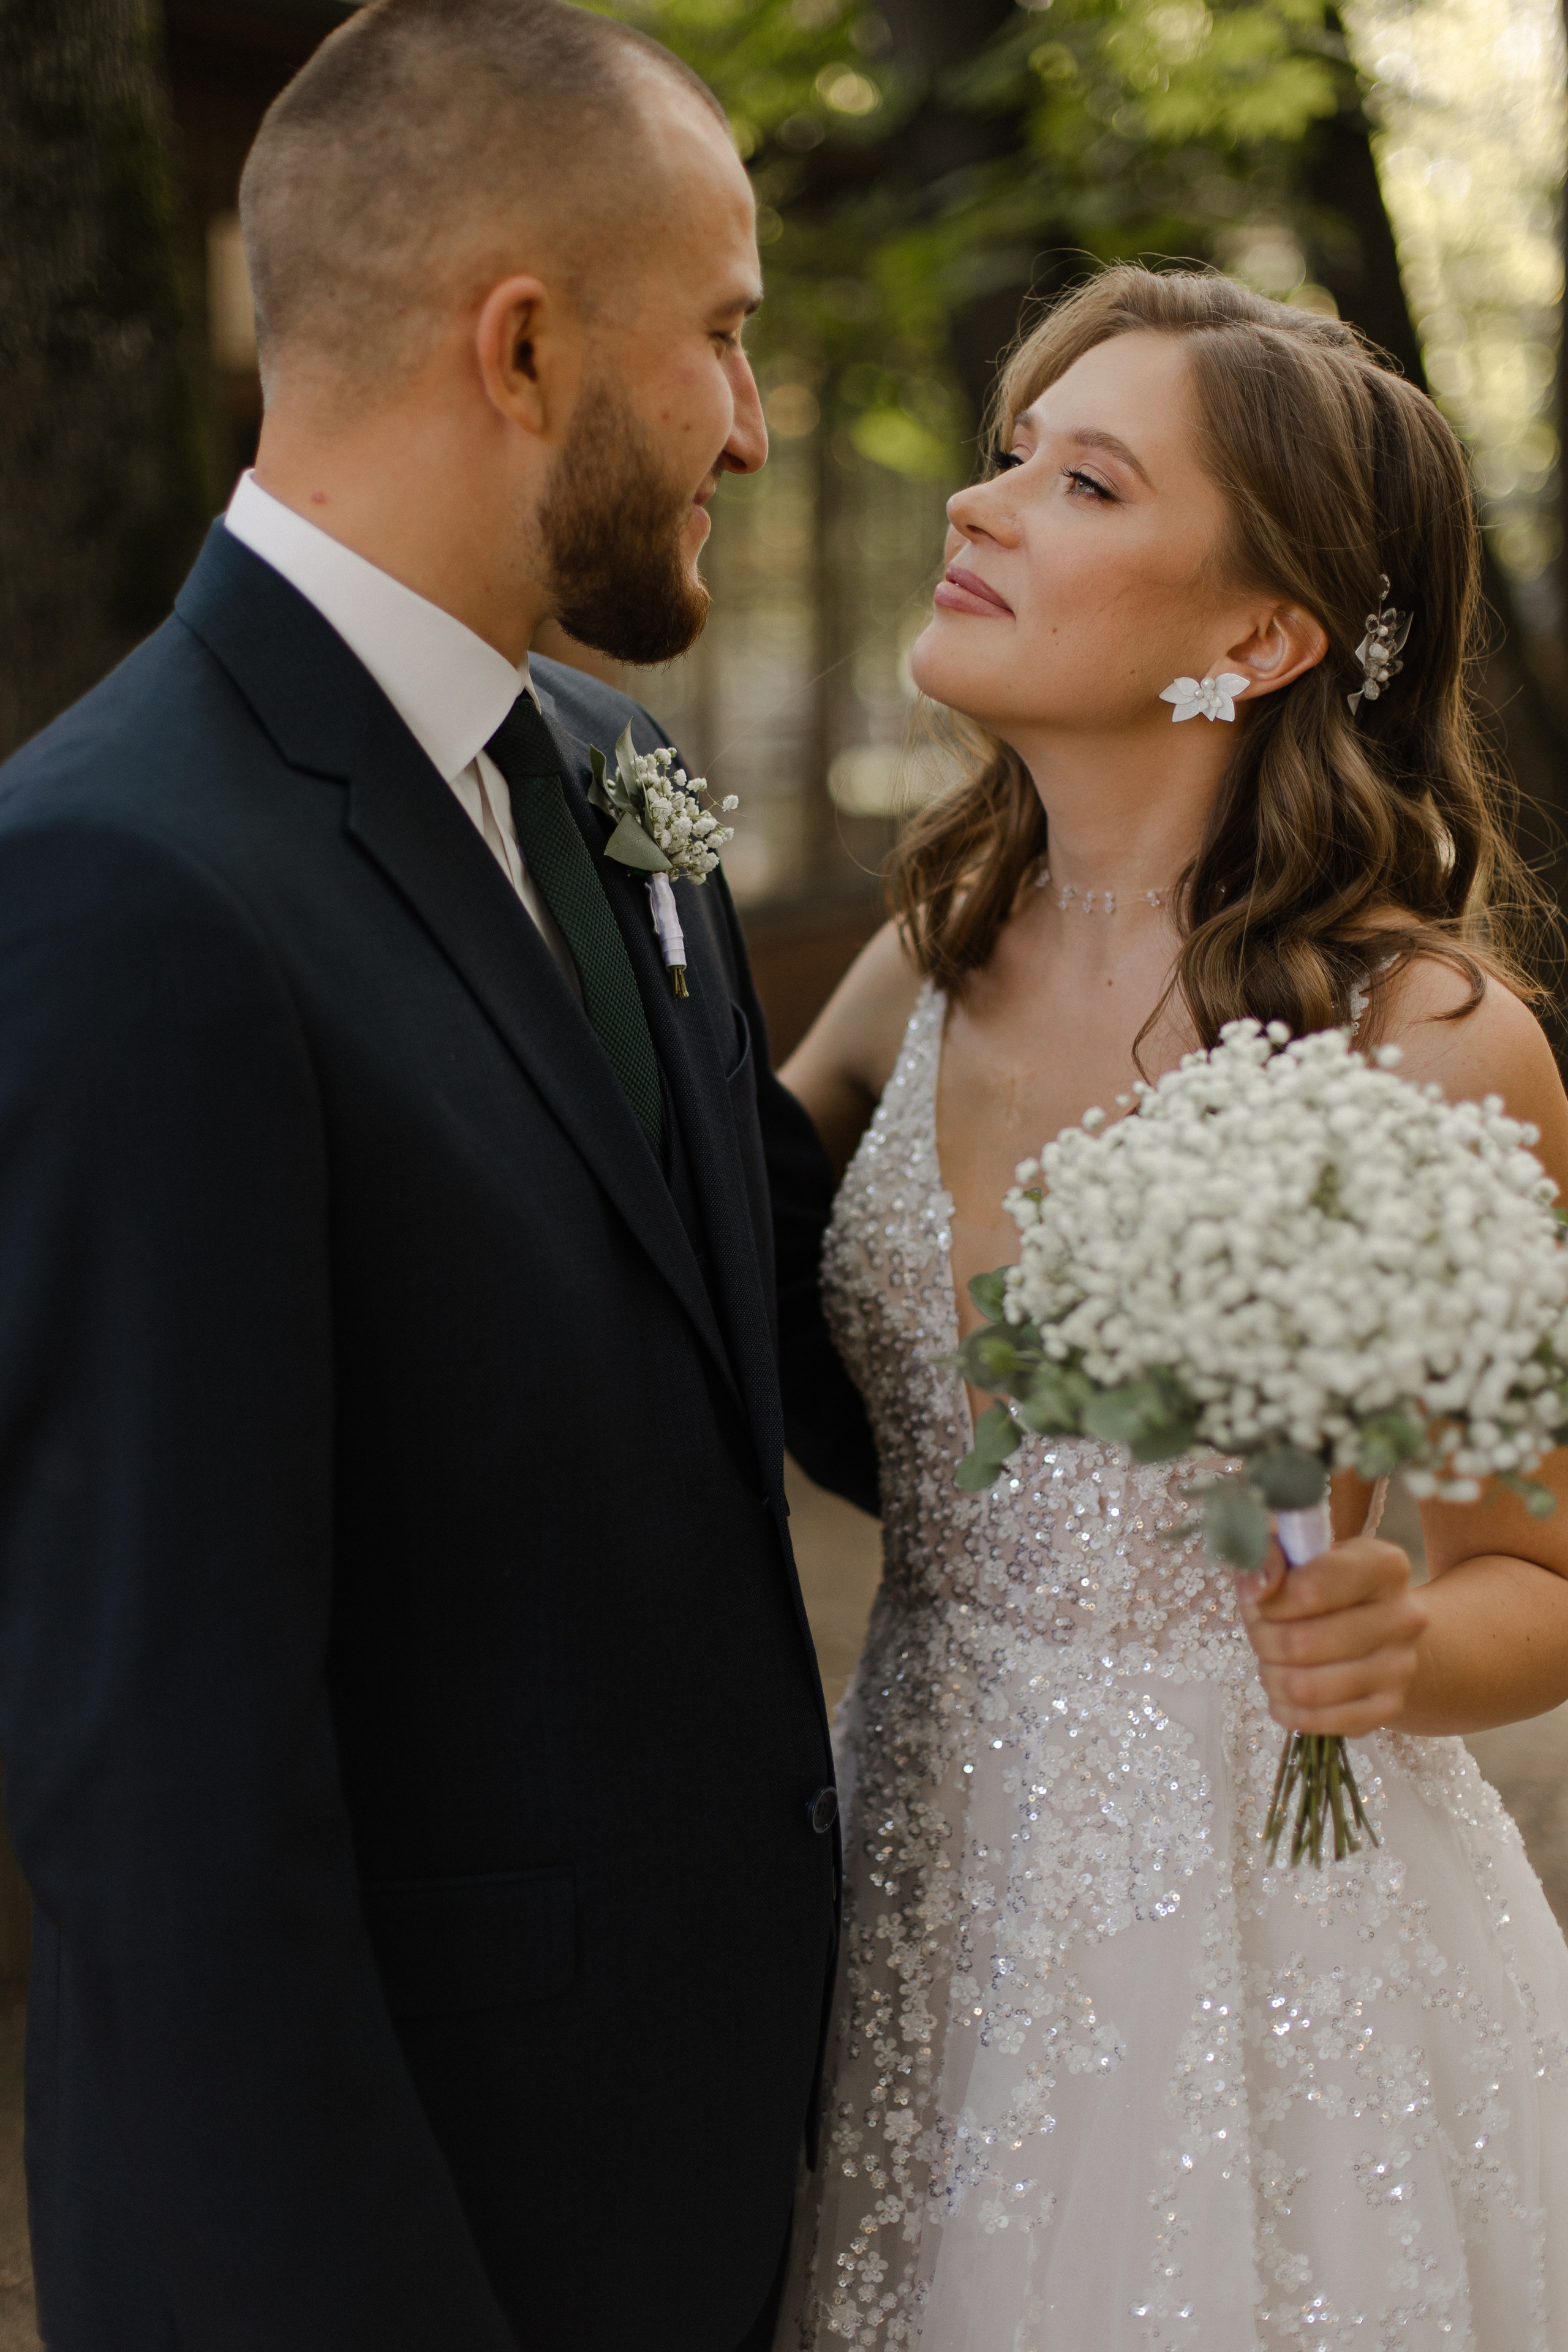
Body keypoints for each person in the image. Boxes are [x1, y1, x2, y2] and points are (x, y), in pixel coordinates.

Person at [0, 3, 874, 2346]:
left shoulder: (603, 764)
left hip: (696, 2193)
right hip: (402, 2244)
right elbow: (172, 1818)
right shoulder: (117, 888)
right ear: (522, 343)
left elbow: (767, 1332)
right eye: (723, 336)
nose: (755, 424)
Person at [777, 265, 1568, 2350]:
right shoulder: (929, 952)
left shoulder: (1433, 1039)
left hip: (1259, 1944)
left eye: (1086, 478)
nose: (987, 500)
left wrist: (1396, 1644)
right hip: (916, 1865)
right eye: (1012, 449)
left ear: (1261, 637)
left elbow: (1536, 1571)